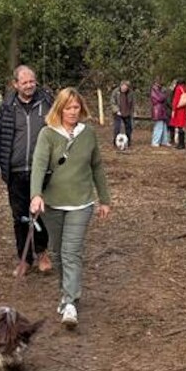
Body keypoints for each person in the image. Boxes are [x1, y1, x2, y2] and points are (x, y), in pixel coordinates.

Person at [29, 88, 111, 329]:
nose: (73, 112)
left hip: (82, 202)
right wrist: (36, 195)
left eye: (76, 107)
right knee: (57, 251)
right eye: (68, 107)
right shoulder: (48, 134)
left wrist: (104, 199)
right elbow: (39, 165)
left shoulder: (89, 134)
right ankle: (66, 294)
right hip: (53, 203)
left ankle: (70, 303)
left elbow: (97, 167)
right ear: (60, 109)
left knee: (71, 251)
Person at [0, 65, 53, 277]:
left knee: (40, 213)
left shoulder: (48, 103)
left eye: (32, 81)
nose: (29, 86)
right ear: (15, 84)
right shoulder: (7, 107)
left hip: (40, 170)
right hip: (15, 171)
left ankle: (42, 252)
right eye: (24, 82)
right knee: (20, 216)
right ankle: (24, 259)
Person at [110, 80, 134, 147]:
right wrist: (116, 110)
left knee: (129, 127)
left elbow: (132, 103)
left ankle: (128, 141)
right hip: (118, 112)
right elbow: (112, 102)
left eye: (126, 88)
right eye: (123, 87)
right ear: (121, 86)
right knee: (117, 127)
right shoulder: (115, 92)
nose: (124, 89)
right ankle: (115, 142)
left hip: (127, 112)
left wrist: (132, 111)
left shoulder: (130, 93)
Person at [169, 79, 186, 149]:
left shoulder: (178, 89)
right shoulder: (185, 88)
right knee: (182, 126)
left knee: (179, 127)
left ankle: (180, 144)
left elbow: (176, 99)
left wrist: (173, 109)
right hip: (183, 109)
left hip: (178, 110)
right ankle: (182, 143)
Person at [150, 78, 171, 147]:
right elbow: (159, 98)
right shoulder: (154, 89)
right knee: (158, 126)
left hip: (162, 109)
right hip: (157, 109)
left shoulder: (160, 89)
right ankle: (155, 141)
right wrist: (164, 95)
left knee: (164, 126)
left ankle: (164, 141)